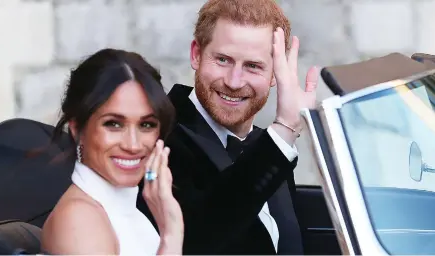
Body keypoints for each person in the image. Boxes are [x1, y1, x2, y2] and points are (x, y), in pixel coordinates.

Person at [136, 0, 319, 254]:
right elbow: (196, 240)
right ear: (196, 55)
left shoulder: (268, 146)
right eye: (223, 60)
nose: (234, 82)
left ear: (276, 73)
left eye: (253, 66)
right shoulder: (156, 137)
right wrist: (286, 128)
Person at [39, 48, 184, 255]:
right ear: (77, 129)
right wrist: (171, 236)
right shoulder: (80, 220)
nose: (133, 145)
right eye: (114, 124)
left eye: (147, 125)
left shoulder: (124, 210)